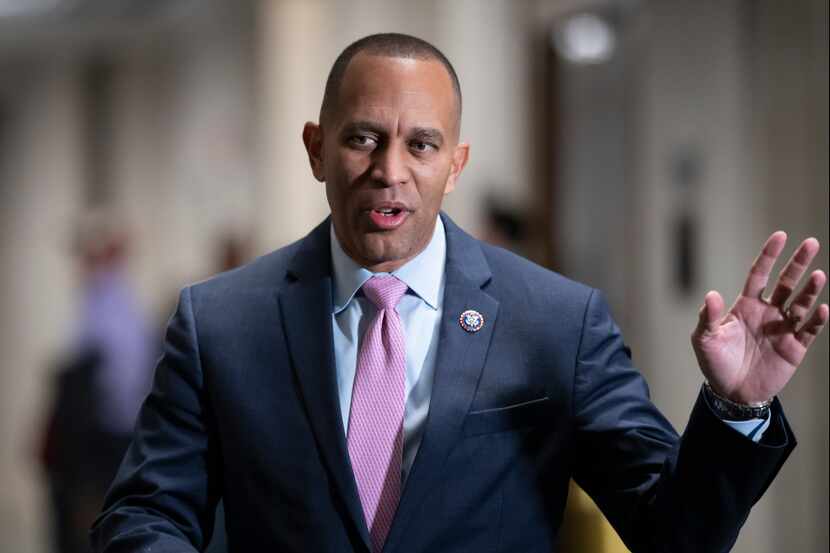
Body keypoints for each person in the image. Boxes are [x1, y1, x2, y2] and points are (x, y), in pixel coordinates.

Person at [90, 33, 828, 553]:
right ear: (316, 147)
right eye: (362, 138)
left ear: (456, 163)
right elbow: (146, 511)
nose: (390, 170)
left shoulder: (557, 322)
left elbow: (676, 534)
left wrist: (737, 407)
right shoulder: (219, 321)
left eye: (421, 144)